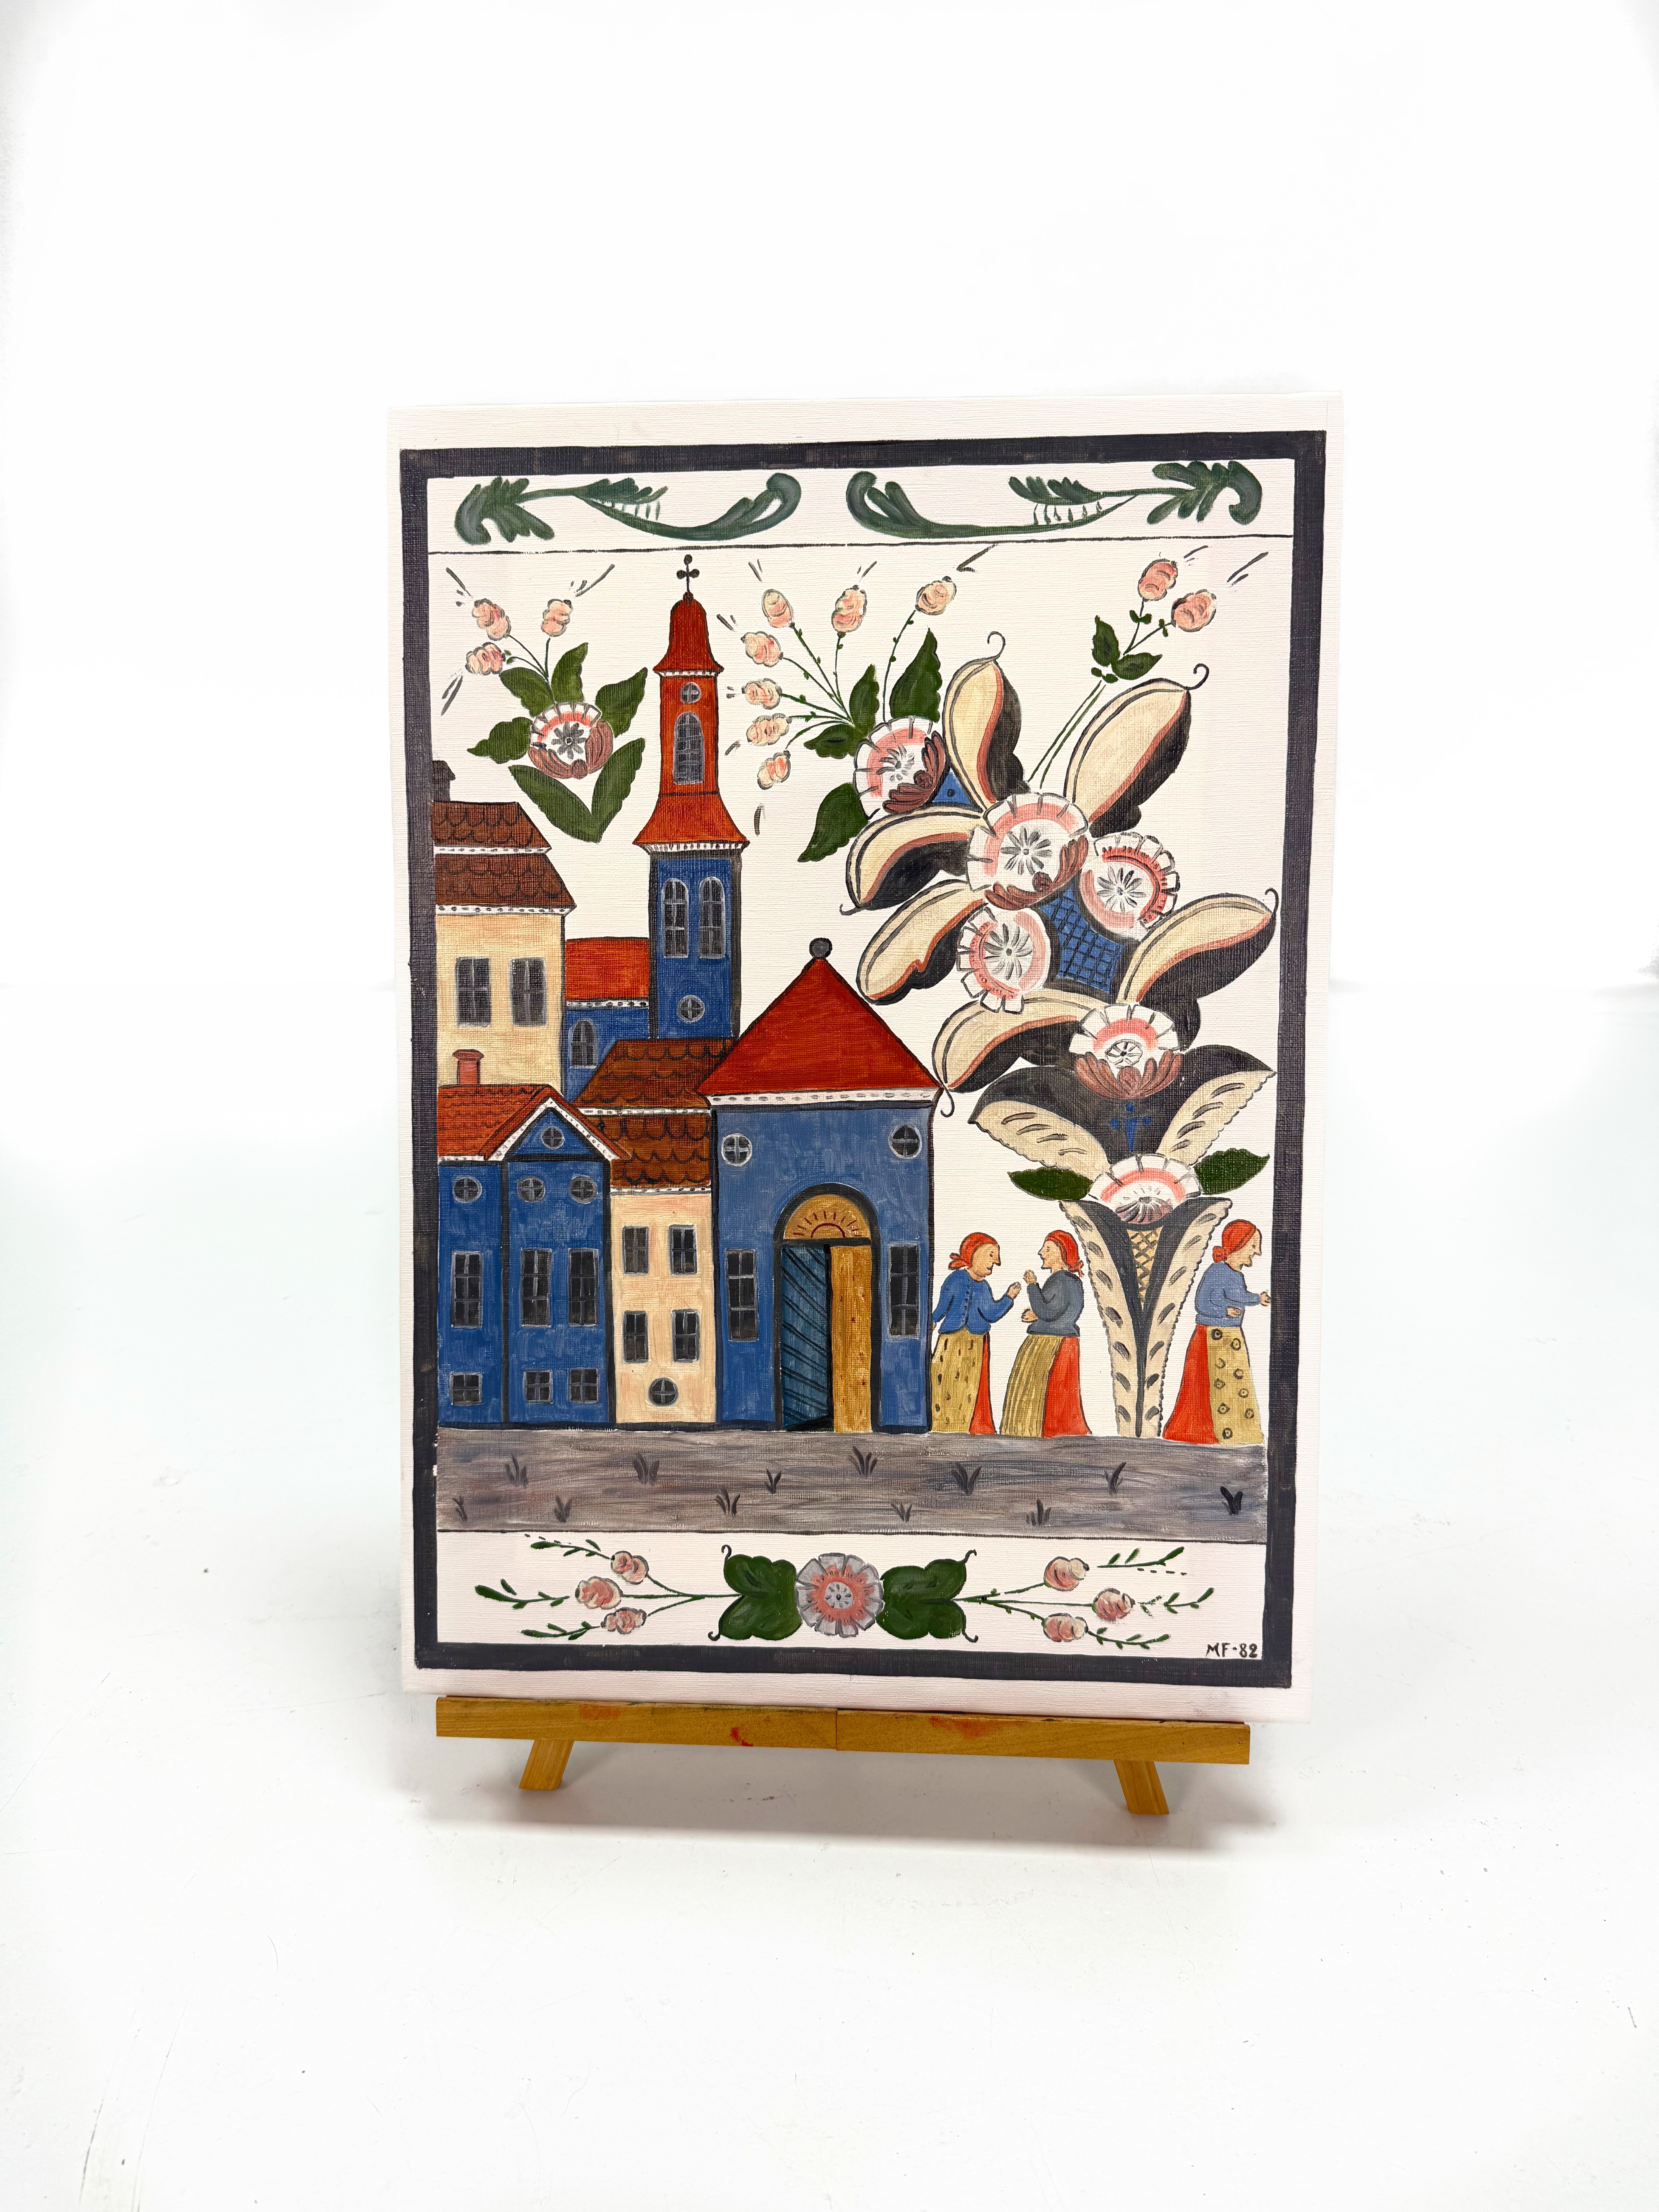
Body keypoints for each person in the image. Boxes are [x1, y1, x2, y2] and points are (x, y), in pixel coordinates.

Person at [1163, 1219, 1270, 1445]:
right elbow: (1202, 1303)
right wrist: (1224, 1311)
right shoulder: (1217, 1271)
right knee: (1208, 1387)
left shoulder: (1237, 1275)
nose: (1257, 1252)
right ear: (1239, 1246)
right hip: (1211, 1338)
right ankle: (1205, 1433)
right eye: (1253, 1246)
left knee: (1235, 1387)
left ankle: (1237, 1433)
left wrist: (1257, 1299)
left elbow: (1240, 1296)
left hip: (1232, 1339)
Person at [1000, 1231, 1091, 1437]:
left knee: (1036, 1389)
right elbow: (1060, 1312)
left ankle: (1030, 1431)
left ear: (1062, 1254)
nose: (1042, 1253)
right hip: (1062, 1340)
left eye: (1048, 1249)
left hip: (1050, 1343)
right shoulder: (1071, 1282)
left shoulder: (1061, 1280)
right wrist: (1038, 1316)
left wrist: (1032, 1286)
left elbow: (1049, 1312)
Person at [929, 1232, 1018, 1434]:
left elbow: (991, 1314)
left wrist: (1008, 1298)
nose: (994, 1264)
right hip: (950, 1341)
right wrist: (932, 1321)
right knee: (944, 1381)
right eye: (990, 1257)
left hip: (975, 1343)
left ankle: (961, 1427)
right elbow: (942, 1307)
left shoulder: (984, 1287)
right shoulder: (955, 1279)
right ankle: (941, 1426)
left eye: (995, 1260)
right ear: (974, 1254)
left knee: (968, 1386)